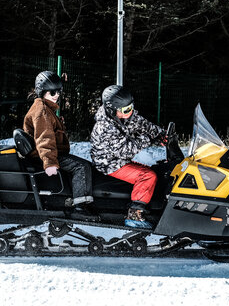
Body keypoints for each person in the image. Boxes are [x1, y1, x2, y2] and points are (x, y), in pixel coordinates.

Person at [90, 85, 165, 228]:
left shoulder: (122, 116)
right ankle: (134, 215)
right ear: (112, 110)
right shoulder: (105, 127)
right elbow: (126, 150)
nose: (130, 112)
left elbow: (142, 123)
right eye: (126, 110)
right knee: (147, 176)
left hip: (118, 159)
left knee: (155, 171)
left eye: (131, 107)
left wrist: (160, 134)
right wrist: (148, 140)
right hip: (109, 164)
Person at [23, 71, 93, 208]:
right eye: (52, 92)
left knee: (83, 165)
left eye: (59, 91)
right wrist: (49, 163)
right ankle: (80, 206)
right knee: (82, 167)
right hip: (44, 155)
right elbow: (44, 138)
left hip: (52, 153)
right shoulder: (42, 110)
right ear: (42, 92)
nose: (57, 95)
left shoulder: (45, 108)